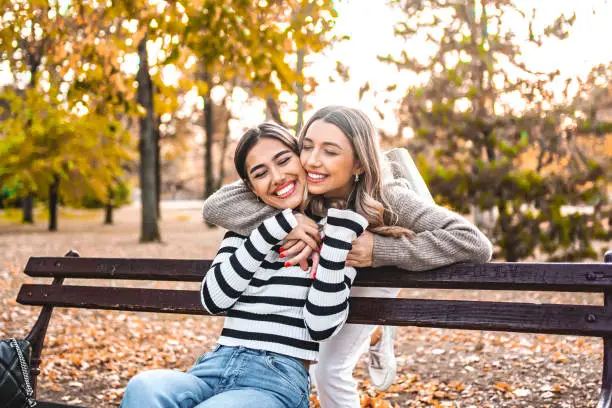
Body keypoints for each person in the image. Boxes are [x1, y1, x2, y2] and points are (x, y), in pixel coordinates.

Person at [202, 105, 493, 407]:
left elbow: (473, 242)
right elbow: (216, 205)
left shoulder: (389, 197)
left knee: (328, 370)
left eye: (330, 151)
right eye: (307, 146)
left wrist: (379, 250)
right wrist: (289, 225)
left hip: (377, 271)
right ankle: (375, 333)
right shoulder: (303, 186)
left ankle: (378, 329)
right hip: (330, 281)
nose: (313, 160)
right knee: (317, 364)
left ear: (358, 164)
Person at [120, 122, 369, 408]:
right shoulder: (244, 232)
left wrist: (334, 245)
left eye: (284, 160)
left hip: (277, 381)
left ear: (302, 159)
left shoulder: (334, 233)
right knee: (144, 388)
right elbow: (213, 299)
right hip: (213, 367)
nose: (276, 178)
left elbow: (320, 325)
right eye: (260, 173)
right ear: (251, 187)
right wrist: (273, 229)